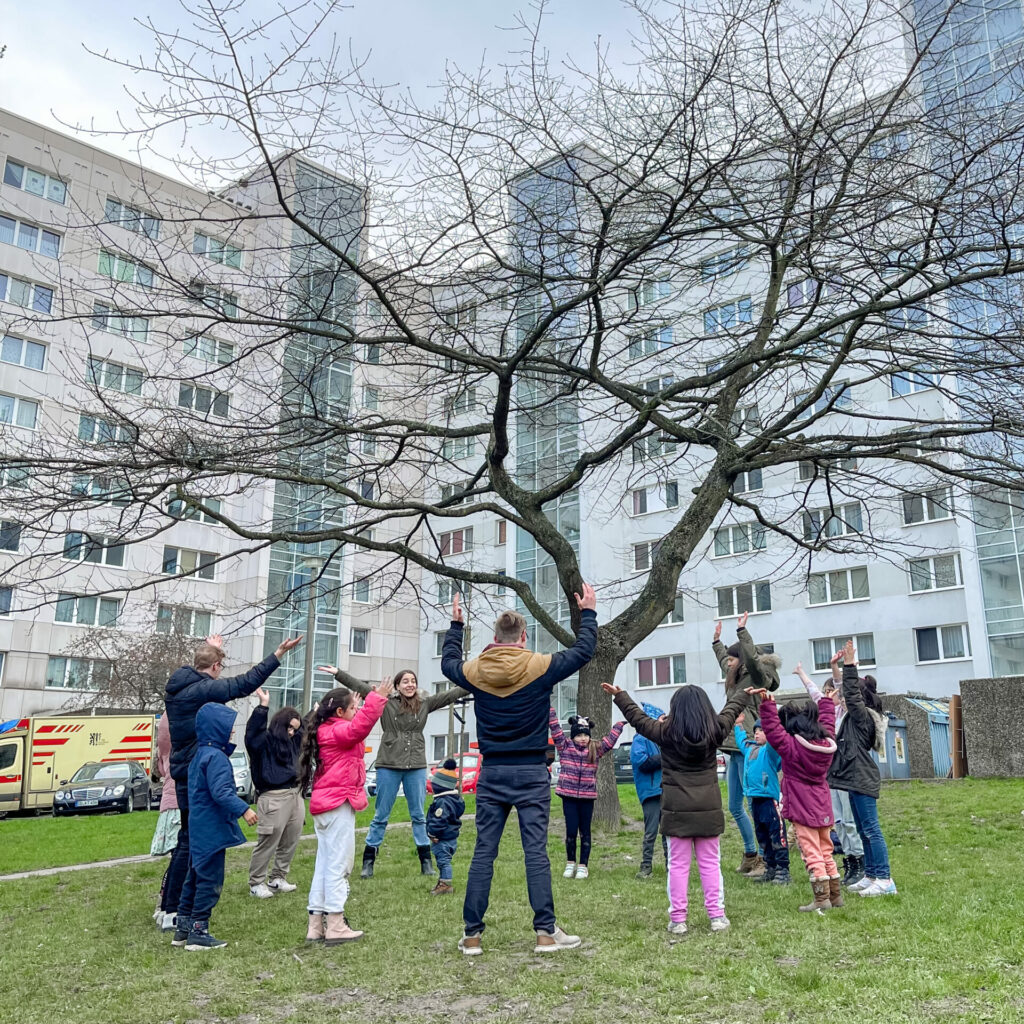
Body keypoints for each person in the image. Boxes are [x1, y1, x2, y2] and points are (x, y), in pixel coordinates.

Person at [441, 587, 598, 956]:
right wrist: (587, 613)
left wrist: (455, 627)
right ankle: (545, 933)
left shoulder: (475, 670)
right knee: (536, 853)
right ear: (523, 637)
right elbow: (583, 651)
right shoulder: (539, 666)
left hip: (493, 774)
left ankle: (472, 935)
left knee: (484, 853)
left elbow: (449, 664)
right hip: (530, 773)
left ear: (495, 639)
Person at [163, 633, 302, 935]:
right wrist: (277, 654)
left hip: (186, 769)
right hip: (196, 772)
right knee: (196, 845)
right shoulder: (199, 692)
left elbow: (212, 669)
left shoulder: (179, 686)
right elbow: (243, 684)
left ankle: (173, 909)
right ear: (214, 668)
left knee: (187, 840)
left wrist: (214, 649)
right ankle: (177, 911)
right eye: (219, 667)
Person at [603, 679, 747, 936]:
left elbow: (638, 719)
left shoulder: (665, 733)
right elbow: (730, 710)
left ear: (675, 709)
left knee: (678, 866)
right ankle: (716, 916)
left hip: (675, 809)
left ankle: (678, 920)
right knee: (710, 864)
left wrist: (621, 695)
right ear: (705, 709)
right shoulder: (716, 730)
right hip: (708, 809)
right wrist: (743, 694)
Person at [318, 664, 467, 880]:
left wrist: (476, 681)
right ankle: (369, 861)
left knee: (418, 815)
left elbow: (452, 694)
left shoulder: (425, 703)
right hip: (388, 764)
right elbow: (360, 687)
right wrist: (339, 674)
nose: (410, 684)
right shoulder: (386, 703)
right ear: (397, 686)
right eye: (405, 681)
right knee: (381, 815)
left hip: (415, 765)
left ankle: (425, 861)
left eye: (413, 681)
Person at [300, 679, 393, 945]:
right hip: (337, 802)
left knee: (324, 865)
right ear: (339, 713)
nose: (356, 711)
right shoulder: (337, 731)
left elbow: (355, 724)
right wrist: (377, 698)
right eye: (352, 707)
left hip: (326, 803)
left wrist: (362, 704)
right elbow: (358, 728)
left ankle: (316, 924)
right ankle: (336, 924)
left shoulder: (327, 729)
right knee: (339, 865)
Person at [173, 703, 259, 950]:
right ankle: (200, 930)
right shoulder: (217, 758)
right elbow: (221, 792)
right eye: (228, 728)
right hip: (212, 829)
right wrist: (244, 809)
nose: (232, 733)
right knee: (210, 880)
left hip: (199, 826)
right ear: (216, 729)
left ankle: (183, 928)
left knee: (194, 875)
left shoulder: (200, 755)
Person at [754, 685, 841, 912]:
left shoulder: (792, 747)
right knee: (826, 850)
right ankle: (835, 896)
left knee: (812, 853)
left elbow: (773, 731)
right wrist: (826, 703)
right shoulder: (827, 743)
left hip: (802, 808)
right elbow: (828, 724)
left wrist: (767, 704)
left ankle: (821, 899)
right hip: (823, 806)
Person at [712, 612, 781, 878]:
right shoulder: (734, 676)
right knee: (734, 806)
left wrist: (742, 633)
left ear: (741, 660)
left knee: (753, 803)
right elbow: (723, 661)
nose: (727, 663)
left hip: (749, 744)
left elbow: (752, 660)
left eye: (732, 658)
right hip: (732, 746)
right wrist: (717, 643)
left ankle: (765, 857)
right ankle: (751, 854)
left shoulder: (754, 676)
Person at [828, 640, 898, 897]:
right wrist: (838, 667)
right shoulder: (852, 719)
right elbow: (843, 689)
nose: (843, 700)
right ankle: (871, 875)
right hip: (854, 780)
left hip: (863, 780)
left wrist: (849, 665)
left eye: (848, 697)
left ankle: (885, 879)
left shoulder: (862, 717)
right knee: (862, 830)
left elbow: (851, 692)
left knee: (871, 830)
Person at [801, 659, 866, 887]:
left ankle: (859, 860)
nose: (829, 694)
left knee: (849, 820)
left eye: (834, 692)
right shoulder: (832, 712)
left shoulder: (851, 716)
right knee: (838, 820)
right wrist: (801, 672)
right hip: (832, 775)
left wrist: (837, 668)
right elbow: (815, 693)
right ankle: (848, 860)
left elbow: (841, 683)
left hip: (847, 774)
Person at [548, 707, 625, 880]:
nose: (583, 739)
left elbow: (609, 742)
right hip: (568, 796)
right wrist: (551, 710)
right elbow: (555, 729)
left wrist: (619, 726)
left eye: (585, 735)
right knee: (570, 831)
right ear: (573, 736)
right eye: (579, 735)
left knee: (585, 831)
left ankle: (583, 865)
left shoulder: (595, 749)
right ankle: (570, 863)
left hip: (587, 797)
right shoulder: (565, 746)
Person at [245, 688, 305, 899]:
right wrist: (263, 707)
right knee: (268, 840)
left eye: (295, 729)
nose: (292, 732)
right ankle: (256, 882)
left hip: (294, 794)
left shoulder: (293, 742)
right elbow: (252, 734)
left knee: (291, 838)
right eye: (289, 727)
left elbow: (306, 729)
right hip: (273, 796)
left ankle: (278, 877)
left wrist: (315, 713)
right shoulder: (264, 742)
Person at [733, 711, 790, 885]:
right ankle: (770, 867)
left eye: (762, 731)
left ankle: (783, 870)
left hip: (769, 801)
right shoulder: (750, 749)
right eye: (756, 730)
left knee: (776, 835)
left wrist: (771, 722)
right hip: (755, 799)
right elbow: (741, 741)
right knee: (763, 836)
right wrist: (738, 725)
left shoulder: (770, 752)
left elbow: (774, 740)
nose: (757, 733)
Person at [630, 699, 669, 879]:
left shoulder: (663, 739)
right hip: (651, 792)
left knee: (668, 830)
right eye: (662, 719)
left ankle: (671, 866)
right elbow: (641, 762)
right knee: (651, 831)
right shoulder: (640, 739)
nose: (665, 723)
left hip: (665, 790)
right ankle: (646, 866)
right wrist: (664, 757)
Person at [151, 714, 181, 931]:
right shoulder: (174, 719)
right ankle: (168, 906)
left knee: (177, 859)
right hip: (178, 804)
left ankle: (164, 905)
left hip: (172, 802)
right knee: (180, 859)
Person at [426, 758, 466, 896]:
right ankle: (443, 880)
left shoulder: (442, 802)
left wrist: (432, 833)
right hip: (451, 837)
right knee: (444, 861)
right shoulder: (454, 800)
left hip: (442, 839)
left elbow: (439, 820)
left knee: (444, 861)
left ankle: (446, 885)